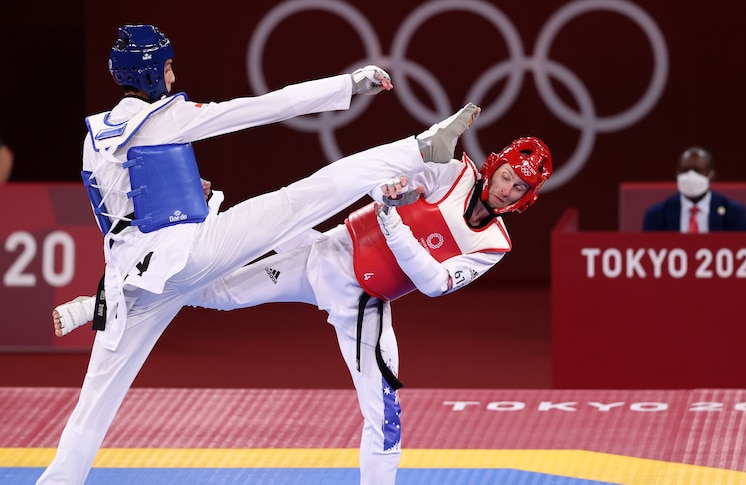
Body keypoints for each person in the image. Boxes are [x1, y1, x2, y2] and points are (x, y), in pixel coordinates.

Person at [36, 22, 481, 485]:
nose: (172, 80)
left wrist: (189, 195)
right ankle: (421, 148)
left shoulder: (92, 137)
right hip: (189, 255)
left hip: (134, 275)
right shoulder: (166, 118)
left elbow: (117, 214)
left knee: (92, 409)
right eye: (167, 69)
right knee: (307, 195)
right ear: (150, 73)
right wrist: (348, 84)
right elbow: (264, 108)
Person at [51, 135, 553, 484]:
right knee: (212, 288)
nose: (507, 189)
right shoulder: (450, 169)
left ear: (527, 199)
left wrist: (394, 222)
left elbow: (435, 283)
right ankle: (101, 297)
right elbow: (379, 178)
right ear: (494, 164)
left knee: (386, 420)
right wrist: (389, 193)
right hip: (324, 252)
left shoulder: (494, 244)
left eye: (519, 188)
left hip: (364, 305)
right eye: (508, 175)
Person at [642, 146, 746, 232]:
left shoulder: (734, 212)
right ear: (677, 173)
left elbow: (745, 249)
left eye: (697, 171)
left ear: (712, 176)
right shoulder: (657, 214)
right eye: (684, 170)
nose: (691, 175)